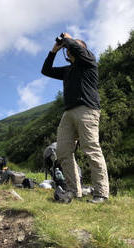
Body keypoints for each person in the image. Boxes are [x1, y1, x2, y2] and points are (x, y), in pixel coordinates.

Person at [41, 33, 109, 203]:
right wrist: (54, 51)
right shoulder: (67, 70)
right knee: (63, 151)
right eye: (68, 48)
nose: (69, 49)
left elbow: (78, 49)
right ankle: (73, 190)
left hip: (87, 110)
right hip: (68, 113)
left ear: (82, 49)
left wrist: (69, 40)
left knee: (91, 149)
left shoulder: (89, 62)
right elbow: (46, 70)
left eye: (73, 47)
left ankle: (101, 193)